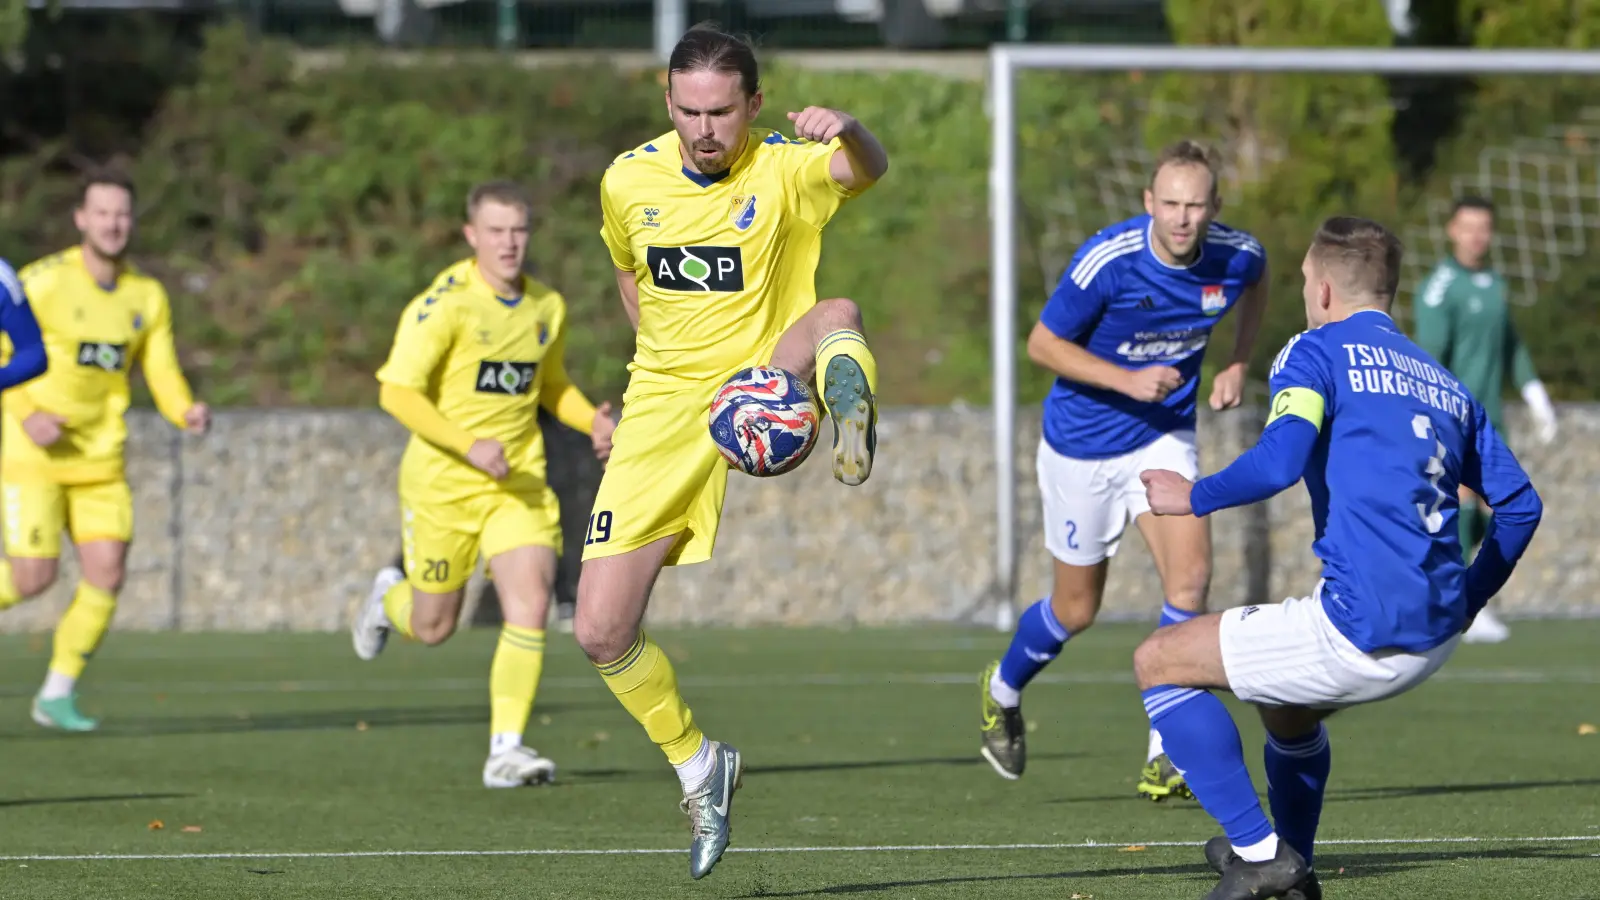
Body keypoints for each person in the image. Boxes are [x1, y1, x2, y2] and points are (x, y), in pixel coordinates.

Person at [1135, 216, 1541, 900]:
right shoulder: (1442, 382)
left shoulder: (1314, 350)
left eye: (1301, 282)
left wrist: (1190, 497)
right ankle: (1296, 870)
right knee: (1286, 711)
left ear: (1322, 290)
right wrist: (1465, 603)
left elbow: (1280, 461)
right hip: (1434, 634)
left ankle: (1262, 853)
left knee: (1160, 662)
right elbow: (1522, 506)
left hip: (1363, 626)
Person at [577, 23, 888, 880]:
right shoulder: (626, 180)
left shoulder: (782, 166)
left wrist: (850, 129)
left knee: (838, 312)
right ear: (666, 100)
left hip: (757, 372)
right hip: (658, 412)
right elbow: (627, 268)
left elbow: (867, 171)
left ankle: (845, 407)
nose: (706, 130)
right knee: (600, 630)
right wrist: (654, 359)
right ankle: (698, 765)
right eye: (689, 111)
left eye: (723, 111)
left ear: (754, 104)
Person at [977, 140, 1269, 801]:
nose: (1182, 217)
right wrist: (1125, 379)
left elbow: (1259, 279)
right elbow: (1042, 344)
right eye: (1169, 203)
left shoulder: (1236, 254)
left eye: (1195, 205)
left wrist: (1237, 360)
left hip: (1162, 439)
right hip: (1080, 446)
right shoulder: (1110, 261)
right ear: (1148, 203)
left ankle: (1165, 753)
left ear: (1214, 207)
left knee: (1191, 579)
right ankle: (1002, 691)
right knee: (1076, 610)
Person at [350, 180, 615, 788]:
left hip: (517, 484)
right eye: (496, 231)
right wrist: (468, 444)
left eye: (519, 230)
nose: (509, 243)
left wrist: (592, 420)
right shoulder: (444, 305)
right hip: (443, 488)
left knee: (531, 597)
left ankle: (505, 750)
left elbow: (550, 386)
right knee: (433, 627)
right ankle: (386, 602)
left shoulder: (546, 307)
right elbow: (396, 390)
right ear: (472, 236)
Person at [1, 170, 211, 731]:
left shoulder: (147, 294)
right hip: (33, 456)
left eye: (122, 214)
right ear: (81, 219)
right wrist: (28, 413)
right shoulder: (41, 282)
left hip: (100, 460)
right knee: (32, 579)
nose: (113, 224)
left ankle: (56, 693)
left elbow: (160, 368)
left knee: (107, 570)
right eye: (102, 213)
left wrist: (183, 408)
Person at [1412, 195, 1557, 644]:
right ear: (1452, 230)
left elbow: (1510, 346)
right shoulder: (1439, 288)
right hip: (1453, 418)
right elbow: (1429, 361)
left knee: (1497, 507)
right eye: (1468, 227)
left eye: (1484, 228)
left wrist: (1536, 395)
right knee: (1465, 502)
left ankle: (1462, 599)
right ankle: (1458, 602)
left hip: (1489, 417)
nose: (1476, 236)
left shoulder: (1494, 283)